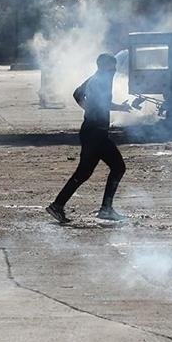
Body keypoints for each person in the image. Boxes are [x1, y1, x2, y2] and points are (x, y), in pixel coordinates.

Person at [46, 53, 131, 223]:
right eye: (111, 67)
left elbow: (77, 94)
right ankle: (105, 208)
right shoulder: (102, 81)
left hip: (92, 131)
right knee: (118, 167)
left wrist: (88, 111)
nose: (114, 71)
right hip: (96, 134)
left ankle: (57, 205)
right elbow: (102, 104)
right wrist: (120, 108)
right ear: (103, 67)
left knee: (84, 172)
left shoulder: (95, 78)